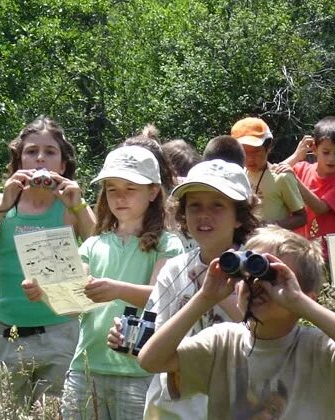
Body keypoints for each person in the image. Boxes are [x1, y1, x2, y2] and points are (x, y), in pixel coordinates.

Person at [138, 227, 335, 419]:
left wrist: (301, 304)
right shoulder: (221, 341)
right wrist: (204, 298)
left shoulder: (316, 347)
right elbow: (151, 360)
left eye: (272, 277)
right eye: (248, 275)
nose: (257, 284)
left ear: (304, 296)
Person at [25, 145, 184, 419]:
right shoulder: (92, 244)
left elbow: (162, 299)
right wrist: (46, 292)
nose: (120, 197)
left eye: (130, 188)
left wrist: (117, 290)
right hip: (86, 367)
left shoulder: (167, 244)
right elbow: (74, 305)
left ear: (153, 192)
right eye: (112, 189)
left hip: (139, 369)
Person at [0, 116, 96, 411]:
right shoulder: (1, 202)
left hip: (60, 331)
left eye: (50, 152)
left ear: (63, 165)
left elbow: (104, 249)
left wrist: (79, 204)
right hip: (9, 333)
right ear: (18, 160)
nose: (40, 158)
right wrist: (3, 207)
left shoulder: (69, 206)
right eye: (31, 151)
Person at [107, 159, 260, 419]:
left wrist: (217, 294)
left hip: (237, 404)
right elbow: (154, 341)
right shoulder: (174, 268)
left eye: (218, 206)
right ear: (183, 214)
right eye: (194, 205)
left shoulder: (258, 269)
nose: (204, 214)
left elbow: (267, 339)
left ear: (239, 218)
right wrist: (130, 339)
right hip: (173, 408)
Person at [278, 116, 335, 257]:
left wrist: (294, 180)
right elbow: (273, 177)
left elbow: (320, 208)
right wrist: (296, 156)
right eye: (326, 152)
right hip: (295, 250)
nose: (331, 158)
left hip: (326, 255)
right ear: (314, 149)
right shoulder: (301, 169)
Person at [231, 117, 306, 229]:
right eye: (245, 152)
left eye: (256, 152)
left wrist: (270, 227)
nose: (250, 159)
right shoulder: (239, 175)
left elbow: (301, 217)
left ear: (269, 148)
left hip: (273, 243)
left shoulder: (281, 177)